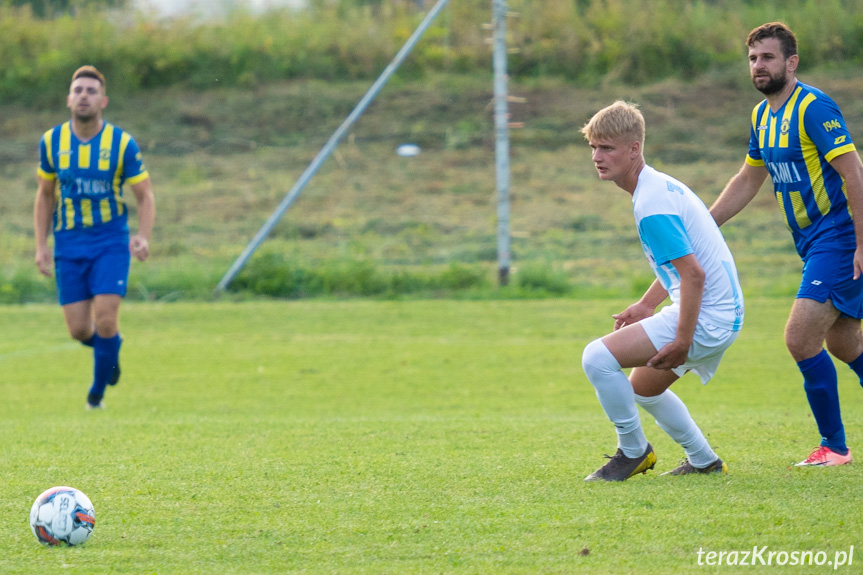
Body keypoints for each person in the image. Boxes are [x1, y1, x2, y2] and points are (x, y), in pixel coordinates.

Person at [710, 22, 863, 467]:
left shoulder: (814, 108)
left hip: (838, 239)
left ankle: (834, 448)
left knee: (800, 337)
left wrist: (861, 243)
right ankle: (834, 446)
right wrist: (704, 223)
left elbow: (854, 173)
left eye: (769, 57)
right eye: (754, 58)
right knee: (845, 344)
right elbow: (749, 178)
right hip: (812, 243)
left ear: (791, 62)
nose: (759, 66)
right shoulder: (761, 116)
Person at [580, 101, 745, 481]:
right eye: (593, 147)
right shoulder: (657, 186)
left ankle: (633, 452)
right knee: (643, 390)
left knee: (596, 359)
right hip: (721, 315)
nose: (596, 156)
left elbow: (694, 276)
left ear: (634, 148)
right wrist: (646, 304)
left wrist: (683, 340)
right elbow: (681, 266)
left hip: (706, 317)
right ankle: (704, 461)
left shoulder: (652, 203)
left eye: (607, 148)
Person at [34, 65, 155, 409]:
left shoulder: (121, 143)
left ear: (103, 100)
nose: (83, 95)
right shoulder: (51, 142)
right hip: (69, 243)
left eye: (91, 91)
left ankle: (96, 396)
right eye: (78, 90)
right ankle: (110, 348)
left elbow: (145, 194)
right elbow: (44, 195)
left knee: (105, 317)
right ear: (68, 99)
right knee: (78, 330)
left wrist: (143, 236)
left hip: (110, 242)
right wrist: (41, 245)